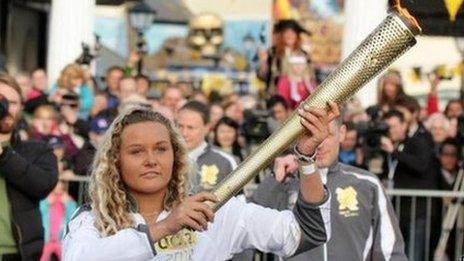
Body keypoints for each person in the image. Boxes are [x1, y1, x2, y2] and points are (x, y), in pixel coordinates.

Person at [63, 102, 338, 260]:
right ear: (115, 161)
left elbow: (307, 233)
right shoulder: (92, 220)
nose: (151, 159)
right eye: (136, 151)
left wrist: (306, 159)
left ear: (176, 156)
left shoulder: (212, 212)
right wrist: (166, 227)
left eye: (161, 148)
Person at [252, 109, 407, 260]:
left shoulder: (367, 185)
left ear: (342, 133)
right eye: (310, 135)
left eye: (326, 135)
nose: (318, 144)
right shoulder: (283, 182)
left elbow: (390, 252)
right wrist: (273, 180)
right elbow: (247, 229)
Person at [0, 73, 58, 260]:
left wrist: (3, 154)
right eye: (1, 101)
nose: (5, 108)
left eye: (12, 102)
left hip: (17, 254)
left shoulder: (37, 150)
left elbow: (42, 185)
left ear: (22, 106)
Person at [380, 110, 439, 261]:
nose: (390, 130)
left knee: (414, 255)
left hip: (417, 212)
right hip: (398, 211)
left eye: (394, 126)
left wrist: (394, 152)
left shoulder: (417, 142)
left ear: (404, 125)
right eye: (388, 127)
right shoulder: (389, 147)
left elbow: (421, 165)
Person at [177, 101, 237, 191]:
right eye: (180, 126)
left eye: (190, 128)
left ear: (207, 128)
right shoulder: (164, 158)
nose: (184, 133)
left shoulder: (226, 161)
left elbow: (238, 202)